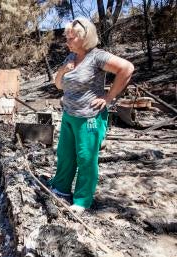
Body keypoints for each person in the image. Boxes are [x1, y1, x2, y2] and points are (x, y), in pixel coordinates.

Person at [49, 17, 134, 213]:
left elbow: (127, 68)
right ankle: (61, 190)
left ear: (84, 38)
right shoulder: (70, 58)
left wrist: (109, 96)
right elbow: (59, 84)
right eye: (67, 38)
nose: (67, 42)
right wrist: (63, 69)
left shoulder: (97, 57)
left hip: (89, 117)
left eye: (71, 38)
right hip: (69, 114)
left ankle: (81, 200)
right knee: (65, 155)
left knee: (86, 158)